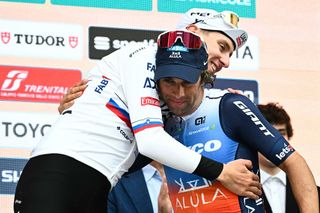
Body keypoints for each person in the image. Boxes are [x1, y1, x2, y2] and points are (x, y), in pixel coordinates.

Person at [13, 8, 261, 213]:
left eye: (230, 53)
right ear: (193, 32)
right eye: (222, 46)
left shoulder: (173, 89)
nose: (227, 60)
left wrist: (220, 104)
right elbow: (150, 141)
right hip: (61, 174)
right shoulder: (146, 57)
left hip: (96, 182)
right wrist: (221, 172)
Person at [152, 31, 318, 212]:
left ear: (202, 77)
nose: (178, 93)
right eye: (169, 82)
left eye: (187, 83)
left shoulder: (229, 106)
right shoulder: (159, 122)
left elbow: (294, 163)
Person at [257, 103, 320, 213]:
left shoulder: (316, 195)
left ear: (288, 136)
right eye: (267, 134)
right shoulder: (240, 191)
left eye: (281, 134)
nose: (275, 142)